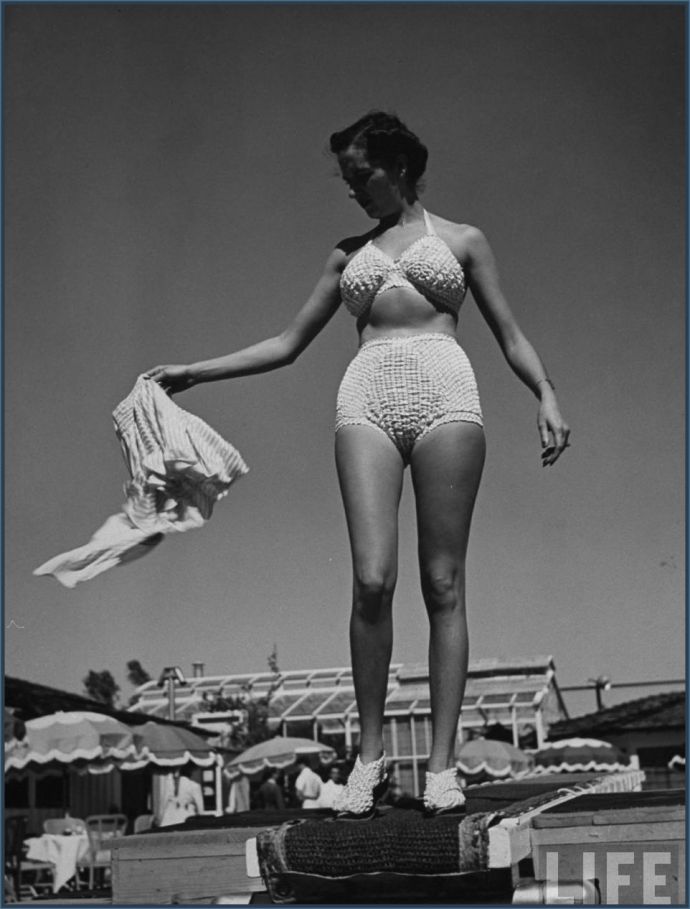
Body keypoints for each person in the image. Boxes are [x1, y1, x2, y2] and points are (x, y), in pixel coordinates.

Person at [145, 110, 570, 819]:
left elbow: (511, 335)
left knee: (443, 582)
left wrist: (546, 393)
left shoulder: (463, 240)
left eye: (360, 174)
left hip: (446, 396)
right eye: (345, 178)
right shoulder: (346, 256)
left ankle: (441, 766)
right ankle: (369, 761)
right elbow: (287, 343)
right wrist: (192, 371)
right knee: (372, 580)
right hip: (366, 398)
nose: (351, 190)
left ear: (397, 166)